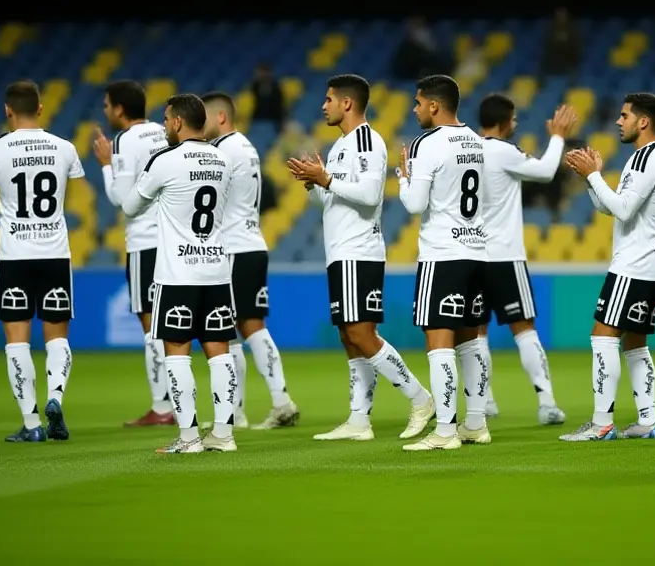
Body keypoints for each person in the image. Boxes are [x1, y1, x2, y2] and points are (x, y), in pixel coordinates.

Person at [286, 74, 435, 441]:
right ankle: (358, 419)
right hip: (340, 252)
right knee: (348, 336)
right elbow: (332, 198)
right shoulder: (339, 147)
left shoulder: (367, 141)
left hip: (359, 252)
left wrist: (326, 180)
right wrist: (313, 184)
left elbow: (370, 196)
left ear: (347, 103)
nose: (323, 105)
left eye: (329, 99)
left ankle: (420, 398)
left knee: (361, 333)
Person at [121, 94, 239, 454]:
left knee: (176, 352)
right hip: (216, 270)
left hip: (178, 274)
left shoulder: (165, 160)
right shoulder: (222, 159)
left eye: (166, 118)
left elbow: (130, 206)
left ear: (176, 122)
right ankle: (223, 433)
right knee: (219, 352)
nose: (164, 124)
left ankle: (189, 438)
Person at [560, 93, 655, 442]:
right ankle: (647, 420)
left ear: (643, 122)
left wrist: (595, 176)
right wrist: (592, 178)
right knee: (635, 343)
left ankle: (602, 424)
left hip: (635, 264)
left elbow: (623, 210)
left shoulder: (646, 159)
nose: (618, 121)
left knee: (602, 337)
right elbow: (612, 208)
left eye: (624, 115)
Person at [0, 80, 84, 443]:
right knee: (57, 336)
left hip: (15, 257)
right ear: (40, 108)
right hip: (54, 253)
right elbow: (71, 192)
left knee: (17, 340)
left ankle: (32, 423)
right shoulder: (65, 148)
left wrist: (1, 184)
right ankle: (55, 397)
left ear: (8, 110)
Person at [398, 75, 489, 451]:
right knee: (471, 339)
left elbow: (415, 204)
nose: (415, 109)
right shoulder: (477, 141)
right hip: (478, 252)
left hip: (443, 253)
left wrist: (402, 178)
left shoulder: (426, 144)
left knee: (439, 342)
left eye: (419, 103)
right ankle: (476, 424)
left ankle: (445, 432)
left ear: (434, 105)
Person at [203, 91, 299, 430]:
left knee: (226, 332)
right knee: (252, 327)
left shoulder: (219, 151)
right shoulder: (246, 147)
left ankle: (236, 413)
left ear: (220, 118)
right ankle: (278, 400)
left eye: (204, 117)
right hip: (253, 243)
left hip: (231, 248)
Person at [476, 93, 572, 425]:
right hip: (504, 256)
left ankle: (484, 402)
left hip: (470, 256)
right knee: (525, 330)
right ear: (504, 123)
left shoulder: (464, 152)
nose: (515, 125)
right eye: (514, 120)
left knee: (476, 333)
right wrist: (558, 136)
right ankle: (546, 404)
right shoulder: (505, 151)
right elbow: (546, 171)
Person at [92, 80, 175, 427]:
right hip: (173, 238)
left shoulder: (125, 141)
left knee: (151, 325)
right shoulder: (161, 131)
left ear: (120, 109)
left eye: (108, 105)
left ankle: (162, 407)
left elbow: (122, 201)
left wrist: (105, 163)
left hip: (145, 242)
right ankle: (175, 401)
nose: (105, 111)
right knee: (173, 324)